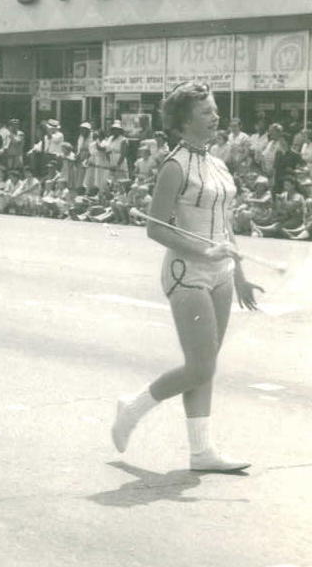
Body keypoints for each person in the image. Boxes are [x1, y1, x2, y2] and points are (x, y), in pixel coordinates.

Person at [111, 81, 263, 472]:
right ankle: (134, 406)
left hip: (222, 272)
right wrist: (204, 251)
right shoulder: (174, 165)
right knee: (200, 366)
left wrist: (240, 272)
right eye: (206, 113)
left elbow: (225, 226)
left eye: (214, 110)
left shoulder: (218, 164)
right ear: (182, 124)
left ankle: (201, 452)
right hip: (187, 272)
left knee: (206, 362)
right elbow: (156, 228)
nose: (216, 117)